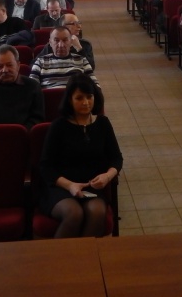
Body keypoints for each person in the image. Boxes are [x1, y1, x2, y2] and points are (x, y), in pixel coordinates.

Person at [38, 73, 122, 238]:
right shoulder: (58, 126)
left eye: (89, 97)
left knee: (97, 212)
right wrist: (70, 185)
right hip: (61, 186)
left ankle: (84, 255)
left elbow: (116, 158)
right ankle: (57, 255)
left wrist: (107, 176)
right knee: (74, 213)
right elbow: (45, 166)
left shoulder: (103, 123)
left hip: (91, 187)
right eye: (79, 98)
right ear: (70, 100)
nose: (86, 102)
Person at [30, 26, 98, 89]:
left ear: (71, 42)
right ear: (50, 43)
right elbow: (32, 89)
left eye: (65, 40)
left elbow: (95, 87)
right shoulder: (40, 62)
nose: (61, 45)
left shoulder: (82, 60)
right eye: (56, 40)